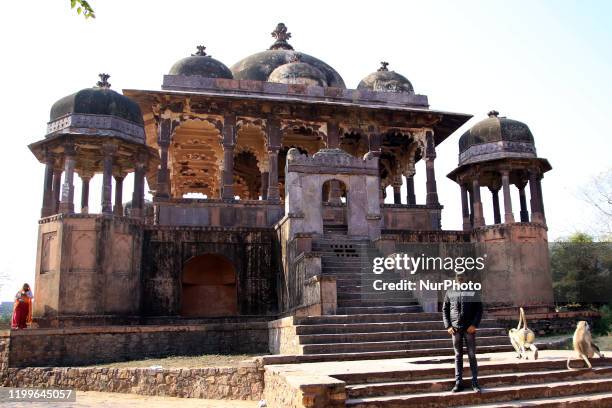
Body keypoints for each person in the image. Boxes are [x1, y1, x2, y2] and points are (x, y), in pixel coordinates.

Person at [442, 273, 483, 393]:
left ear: (466, 278)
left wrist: (474, 325)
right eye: (458, 277)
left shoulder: (473, 291)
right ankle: (458, 382)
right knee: (458, 355)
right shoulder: (450, 292)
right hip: (455, 329)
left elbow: (479, 310)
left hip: (469, 328)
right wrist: (448, 325)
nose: (460, 279)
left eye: (462, 277)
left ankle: (475, 382)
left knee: (471, 355)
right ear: (455, 279)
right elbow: (445, 310)